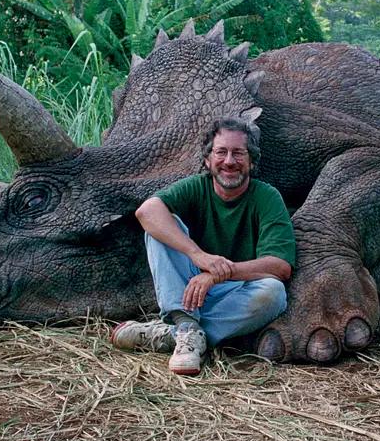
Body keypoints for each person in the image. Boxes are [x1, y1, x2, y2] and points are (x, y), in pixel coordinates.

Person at [110, 117, 296, 375]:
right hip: (189, 290)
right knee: (160, 228)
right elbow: (147, 212)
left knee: (274, 293)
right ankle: (186, 324)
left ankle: (175, 335)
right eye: (221, 152)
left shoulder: (267, 197)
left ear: (251, 161)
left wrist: (220, 272)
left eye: (238, 153)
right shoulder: (196, 187)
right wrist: (199, 256)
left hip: (235, 293)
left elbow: (280, 266)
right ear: (208, 160)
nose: (229, 161)